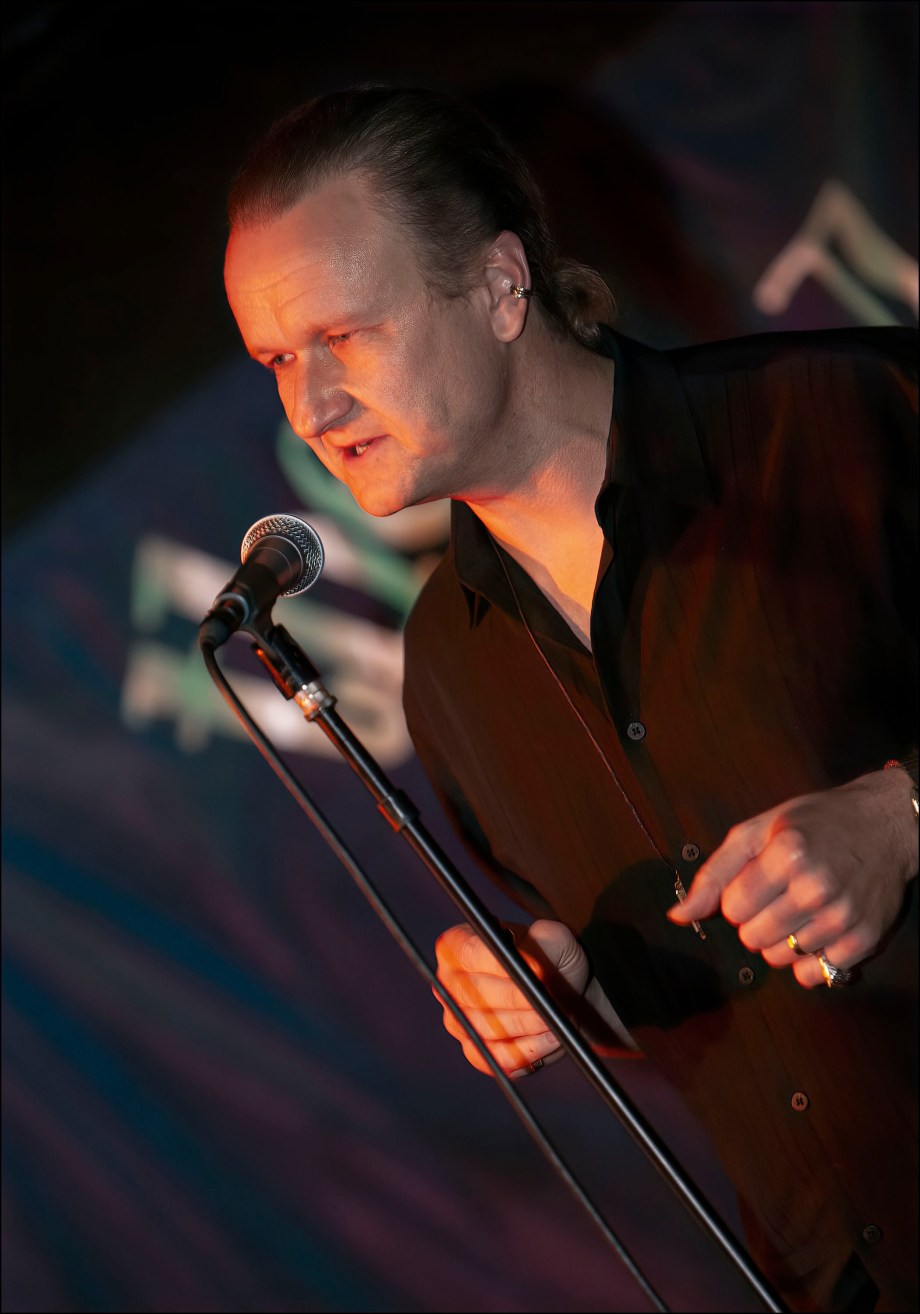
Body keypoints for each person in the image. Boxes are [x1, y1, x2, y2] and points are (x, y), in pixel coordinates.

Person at [222, 85, 918, 1313]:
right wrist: (567, 988)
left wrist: (900, 813)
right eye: (278, 360)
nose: (311, 408)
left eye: (347, 335)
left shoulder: (842, 421)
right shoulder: (449, 670)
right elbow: (691, 995)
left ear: (500, 286)